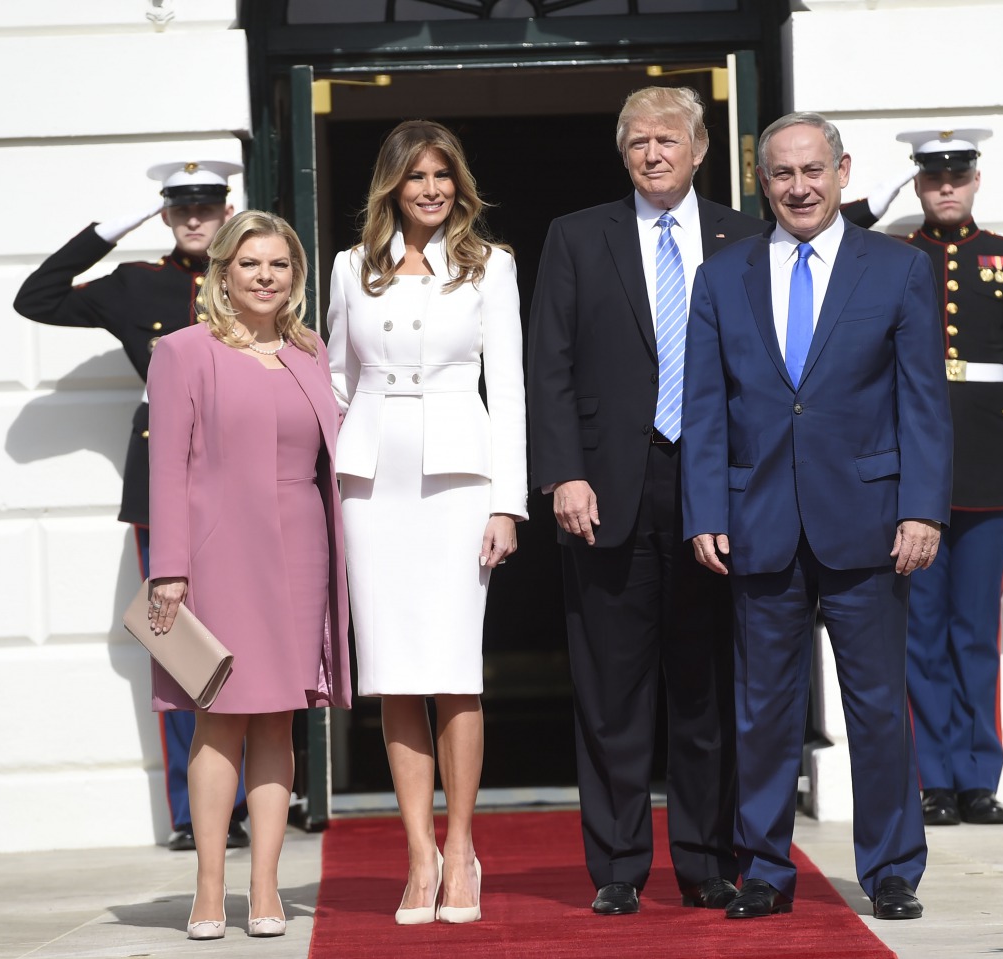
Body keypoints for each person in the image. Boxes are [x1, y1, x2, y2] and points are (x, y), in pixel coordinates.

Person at [681, 112, 953, 922]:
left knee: (877, 707)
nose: (799, 187)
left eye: (812, 170)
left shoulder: (897, 268)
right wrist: (704, 509)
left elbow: (923, 402)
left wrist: (922, 509)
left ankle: (892, 868)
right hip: (757, 522)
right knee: (763, 712)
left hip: (870, 522)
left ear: (842, 171)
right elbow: (705, 408)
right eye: (782, 173)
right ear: (761, 182)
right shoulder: (721, 277)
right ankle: (765, 869)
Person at [527, 86, 765, 917]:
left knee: (707, 689)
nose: (653, 153)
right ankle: (618, 865)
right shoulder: (576, 235)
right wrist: (563, 473)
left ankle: (706, 861)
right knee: (611, 693)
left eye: (668, 139)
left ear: (700, 150)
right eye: (638, 141)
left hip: (714, 491)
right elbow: (548, 363)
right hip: (605, 491)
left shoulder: (747, 237)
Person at [13, 160, 250, 852]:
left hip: (241, 478)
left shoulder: (255, 275)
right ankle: (194, 813)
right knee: (177, 645)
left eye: (207, 207)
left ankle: (246, 797)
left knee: (249, 636)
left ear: (227, 209)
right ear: (166, 214)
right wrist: (113, 228)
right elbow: (37, 297)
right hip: (162, 484)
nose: (195, 219)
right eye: (181, 209)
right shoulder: (135, 284)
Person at [326, 120, 527, 925]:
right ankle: (419, 853)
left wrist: (507, 502)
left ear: (459, 183)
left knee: (453, 667)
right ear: (392, 186)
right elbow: (337, 382)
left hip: (458, 483)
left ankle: (462, 847)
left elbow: (507, 388)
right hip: (372, 484)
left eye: (442, 174)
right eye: (416, 176)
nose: (431, 189)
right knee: (394, 671)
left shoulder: (490, 266)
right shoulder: (351, 267)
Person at [146, 210, 352, 940]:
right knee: (220, 714)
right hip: (220, 551)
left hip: (301, 548)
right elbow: (167, 467)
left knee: (277, 716)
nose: (266, 277)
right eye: (251, 264)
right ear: (223, 273)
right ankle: (210, 888)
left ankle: (266, 886)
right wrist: (169, 569)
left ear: (296, 275)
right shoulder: (183, 351)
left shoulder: (310, 350)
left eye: (280, 265)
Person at [897, 129, 1003, 827]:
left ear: (975, 180)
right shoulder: (894, 256)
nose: (946, 187)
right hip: (914, 472)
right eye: (933, 178)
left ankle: (977, 778)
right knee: (921, 631)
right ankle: (932, 778)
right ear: (918, 184)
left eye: (957, 176)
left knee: (974, 631)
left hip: (991, 467)